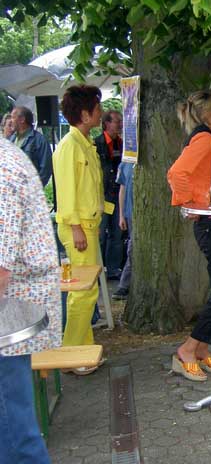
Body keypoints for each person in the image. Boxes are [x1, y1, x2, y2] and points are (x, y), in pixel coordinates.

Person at [0, 136, 62, 463]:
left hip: (8, 315)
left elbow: (0, 266)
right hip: (12, 314)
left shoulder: (2, 167)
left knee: (12, 434)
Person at [167, 89, 211, 381]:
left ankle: (203, 348)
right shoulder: (205, 137)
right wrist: (190, 201)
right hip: (210, 223)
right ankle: (188, 350)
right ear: (210, 114)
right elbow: (176, 173)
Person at [52, 85, 104, 374]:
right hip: (78, 228)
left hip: (87, 225)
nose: (100, 112)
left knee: (87, 290)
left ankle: (83, 352)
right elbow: (67, 192)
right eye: (97, 108)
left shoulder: (84, 143)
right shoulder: (69, 147)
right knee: (83, 293)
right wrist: (75, 228)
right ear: (85, 114)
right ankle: (69, 354)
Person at [95, 110, 124, 279]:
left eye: (120, 121)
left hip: (118, 193)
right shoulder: (97, 144)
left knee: (117, 234)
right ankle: (98, 270)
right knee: (100, 233)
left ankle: (113, 269)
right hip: (104, 195)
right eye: (116, 121)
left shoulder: (122, 143)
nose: (120, 124)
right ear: (106, 123)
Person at [10, 106, 53, 186]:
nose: (10, 121)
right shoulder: (12, 138)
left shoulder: (40, 140)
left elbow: (46, 170)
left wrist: (33, 188)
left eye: (13, 117)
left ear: (22, 119)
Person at [112, 161, 134, 300]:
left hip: (140, 212)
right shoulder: (126, 162)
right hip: (131, 213)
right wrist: (121, 215)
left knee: (133, 247)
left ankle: (124, 285)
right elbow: (122, 189)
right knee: (133, 247)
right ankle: (124, 285)